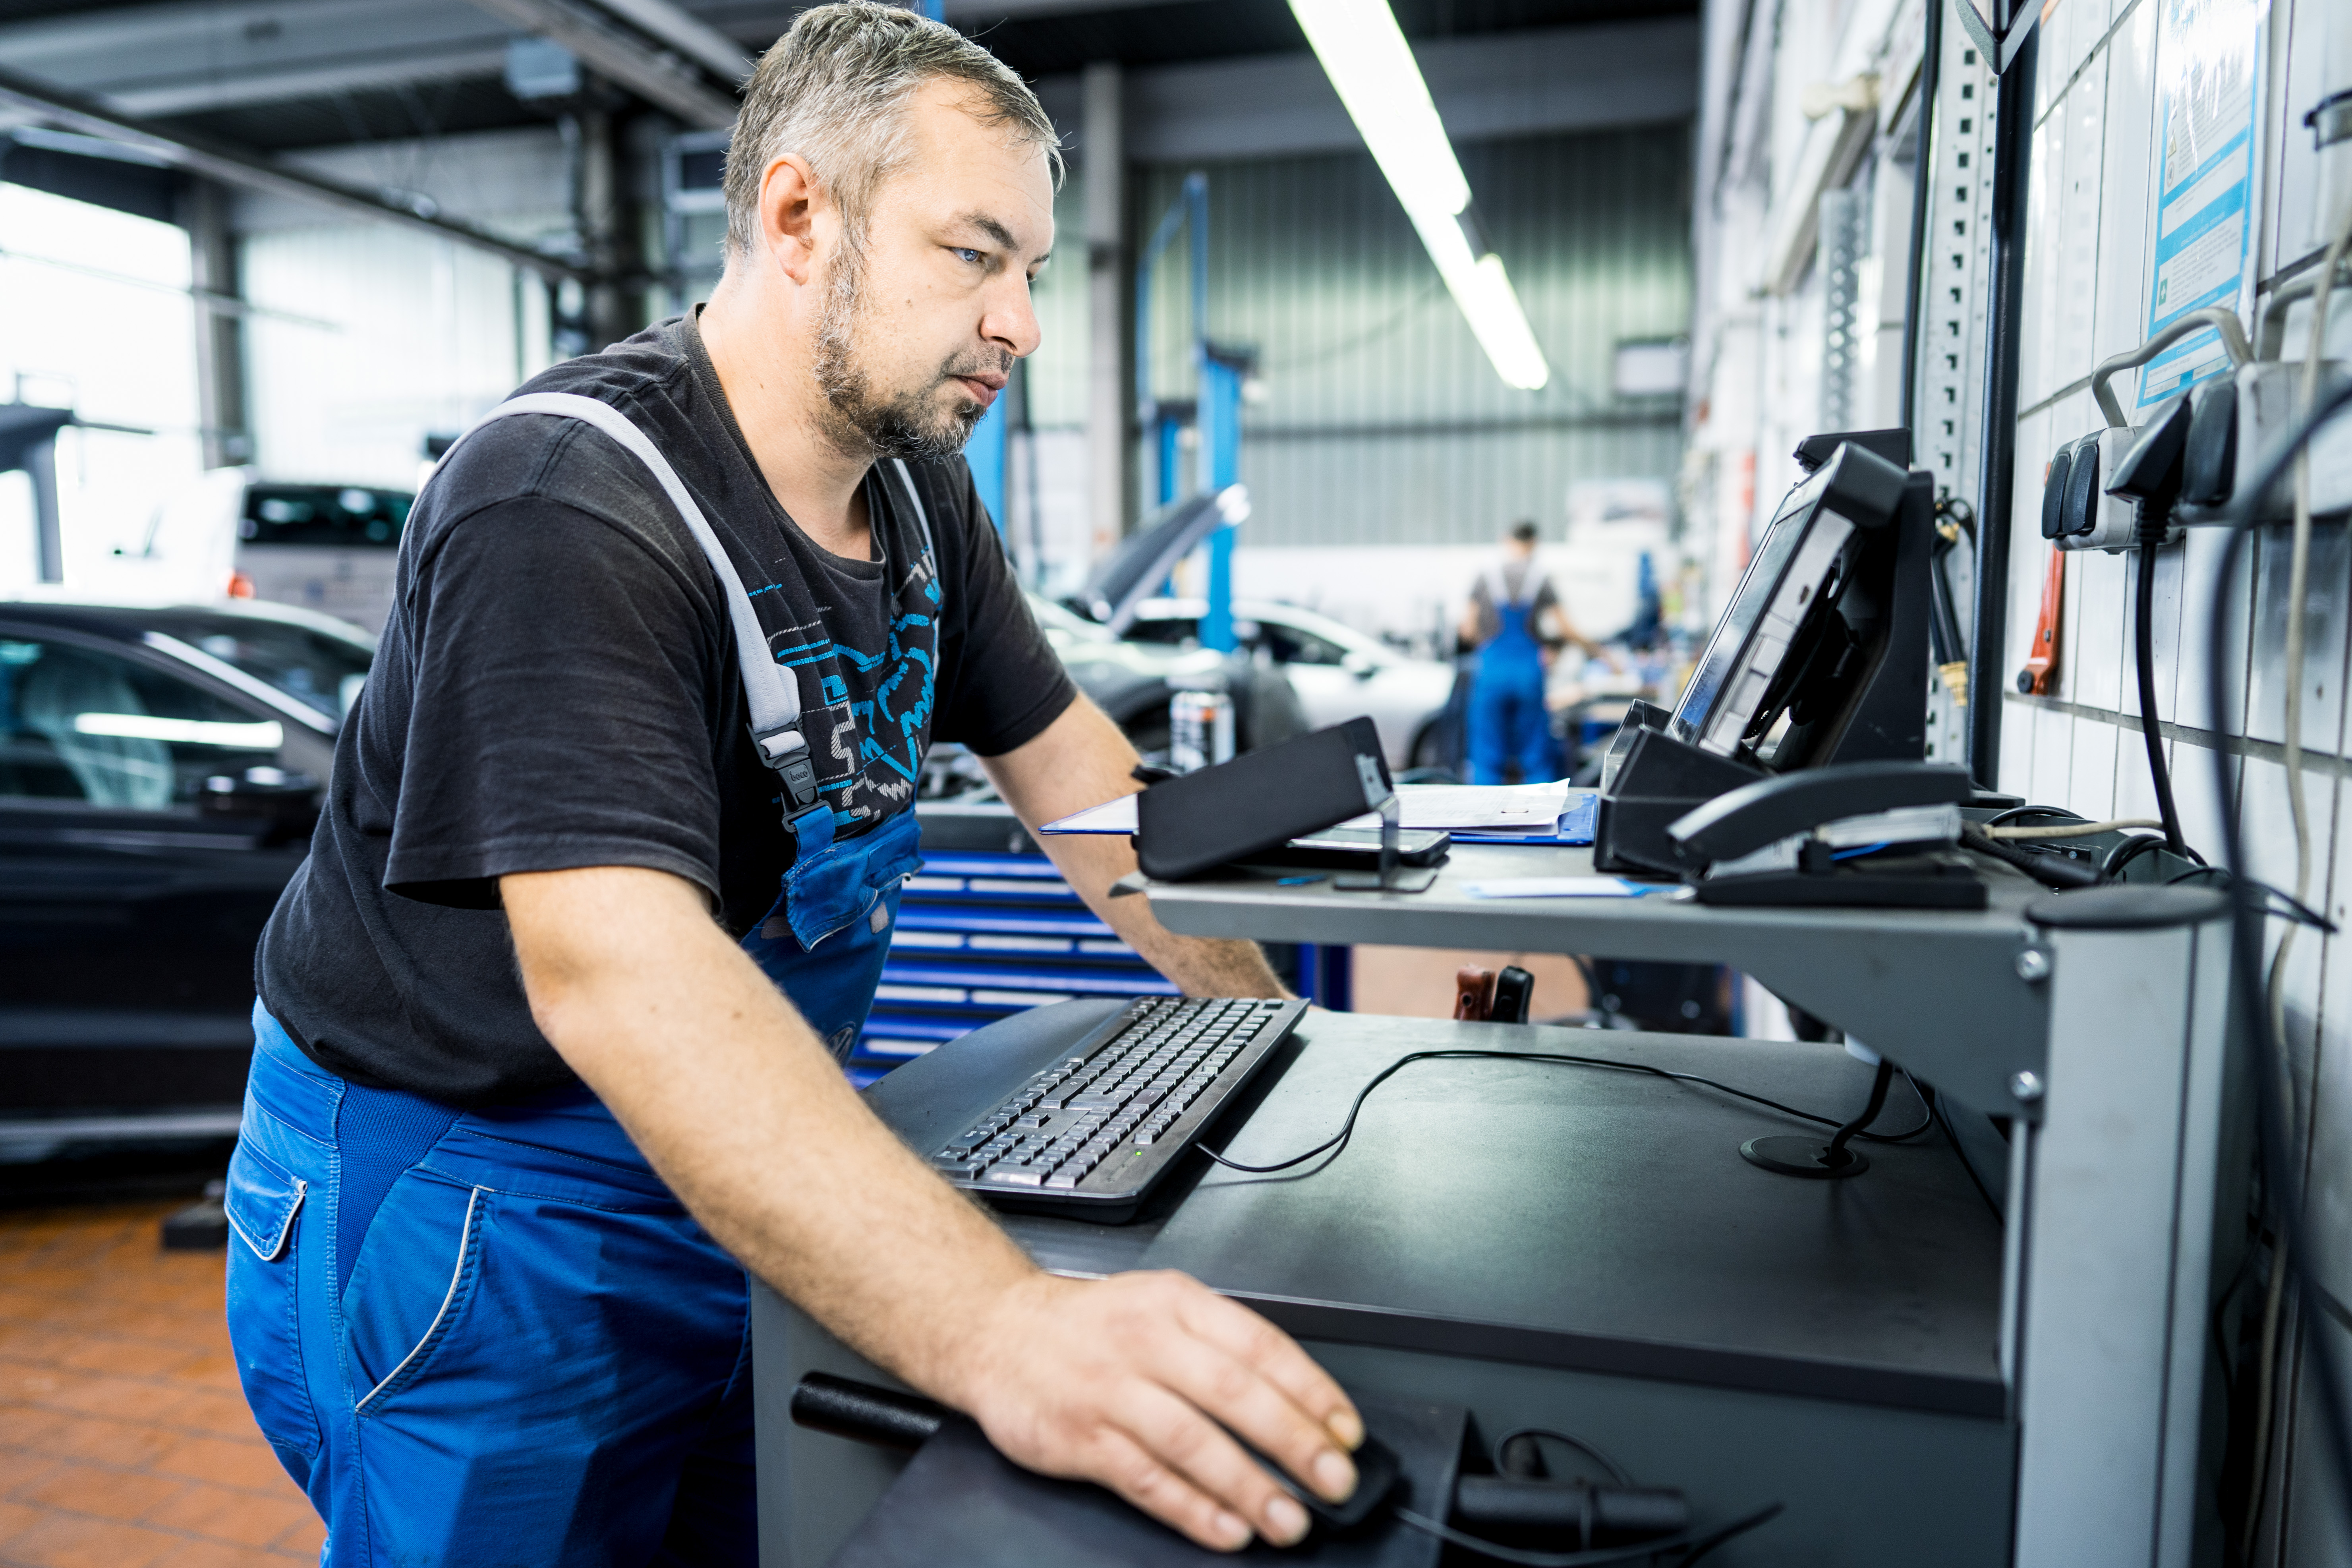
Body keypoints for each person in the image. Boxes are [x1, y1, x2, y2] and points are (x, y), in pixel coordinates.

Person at [225, 7, 1363, 1563]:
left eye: (1033, 269)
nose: (1018, 321)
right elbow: (621, 978)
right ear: (796, 216)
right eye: (975, 253)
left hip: (728, 1148)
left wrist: (1272, 1033)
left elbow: (1083, 782)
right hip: (474, 1204)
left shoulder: (919, 498)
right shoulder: (564, 504)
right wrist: (1006, 1327)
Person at [1457, 520, 1604, 785]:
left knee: (1487, 757)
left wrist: (1489, 645)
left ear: (1506, 539)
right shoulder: (1539, 579)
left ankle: (1480, 822)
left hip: (1491, 670)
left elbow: (1466, 630)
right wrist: (1601, 654)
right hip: (1528, 671)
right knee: (1536, 755)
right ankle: (1540, 819)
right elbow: (1566, 628)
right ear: (1534, 543)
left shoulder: (1485, 577)